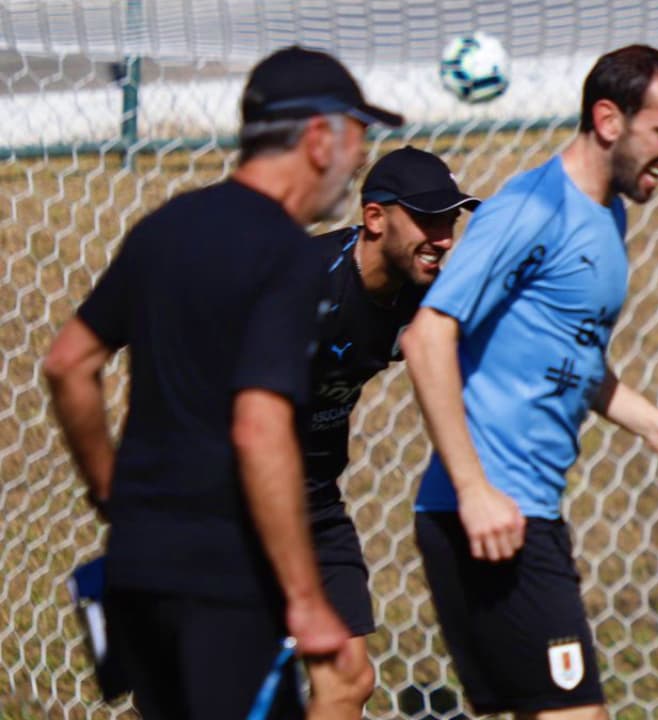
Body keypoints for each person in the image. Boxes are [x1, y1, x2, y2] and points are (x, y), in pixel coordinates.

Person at [41, 46, 402, 719]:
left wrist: (109, 489)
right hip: (226, 576)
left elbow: (69, 363)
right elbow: (259, 427)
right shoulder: (290, 258)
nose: (359, 161)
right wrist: (303, 599)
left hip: (138, 567)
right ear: (318, 138)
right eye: (357, 138)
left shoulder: (166, 227)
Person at [400, 44, 658, 719]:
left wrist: (652, 423)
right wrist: (474, 489)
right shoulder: (531, 208)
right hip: (489, 516)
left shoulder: (608, 216)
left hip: (525, 515)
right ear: (608, 119)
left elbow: (569, 354)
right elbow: (428, 335)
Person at [303, 146, 479, 717]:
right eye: (427, 220)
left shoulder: (422, 297)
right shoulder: (305, 287)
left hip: (313, 502)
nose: (444, 237)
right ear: (375, 218)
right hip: (229, 501)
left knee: (349, 680)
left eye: (449, 220)